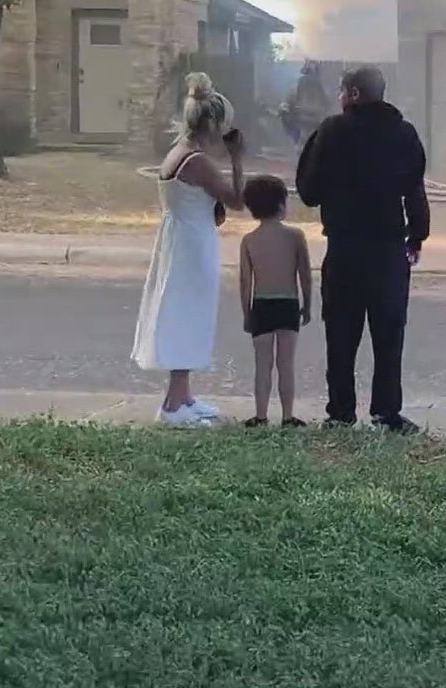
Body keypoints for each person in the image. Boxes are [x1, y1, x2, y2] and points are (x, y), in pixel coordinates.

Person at [295, 64, 429, 432]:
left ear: (353, 94)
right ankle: (386, 413)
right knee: (388, 337)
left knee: (341, 335)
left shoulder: (331, 132)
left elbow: (308, 191)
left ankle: (340, 414)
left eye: (341, 91)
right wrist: (416, 237)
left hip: (344, 248)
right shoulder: (404, 134)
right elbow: (414, 189)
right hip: (388, 251)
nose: (338, 98)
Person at [133, 73, 244, 427]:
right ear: (211, 123)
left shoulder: (177, 153)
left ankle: (183, 397)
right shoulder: (197, 161)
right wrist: (237, 159)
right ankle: (172, 407)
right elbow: (238, 201)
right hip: (192, 246)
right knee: (188, 316)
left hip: (181, 239)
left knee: (186, 312)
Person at [238, 174, 312, 428]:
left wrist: (247, 314)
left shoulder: (249, 240)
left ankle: (260, 415)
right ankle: (288, 416)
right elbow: (305, 274)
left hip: (261, 304)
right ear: (281, 204)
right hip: (288, 303)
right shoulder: (295, 236)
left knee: (263, 365)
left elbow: (245, 282)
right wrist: (308, 305)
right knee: (285, 364)